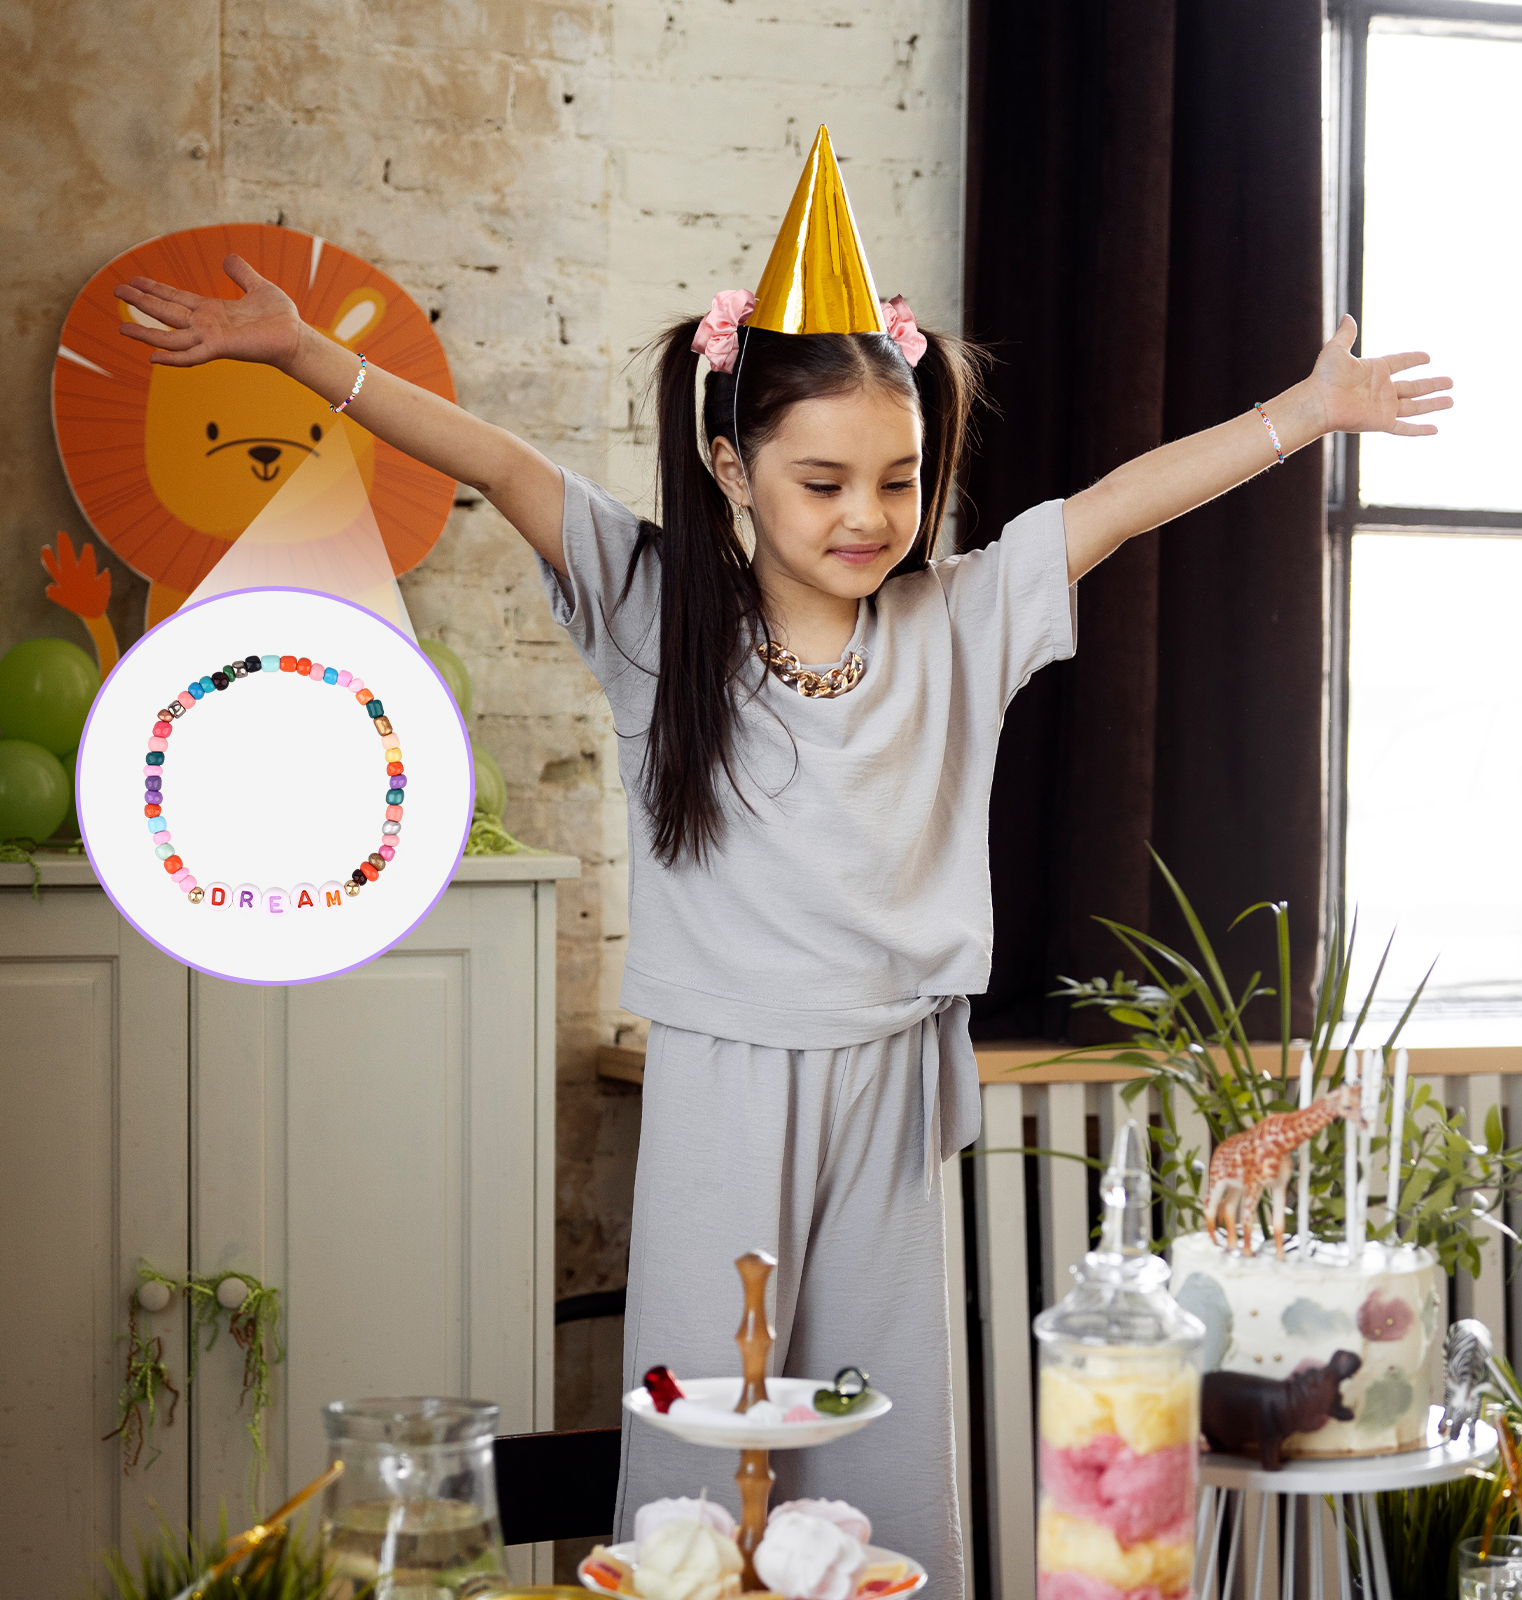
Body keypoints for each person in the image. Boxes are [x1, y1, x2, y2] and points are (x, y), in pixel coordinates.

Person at [114, 127, 1450, 1592]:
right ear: (728, 464)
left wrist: (1305, 412)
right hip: (725, 1078)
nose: (867, 517)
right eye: (822, 482)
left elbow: (1123, 502)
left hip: (892, 1072)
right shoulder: (655, 612)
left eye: (899, 479)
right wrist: (307, 356)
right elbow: (497, 459)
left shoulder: (959, 622)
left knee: (883, 1434)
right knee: (703, 1432)